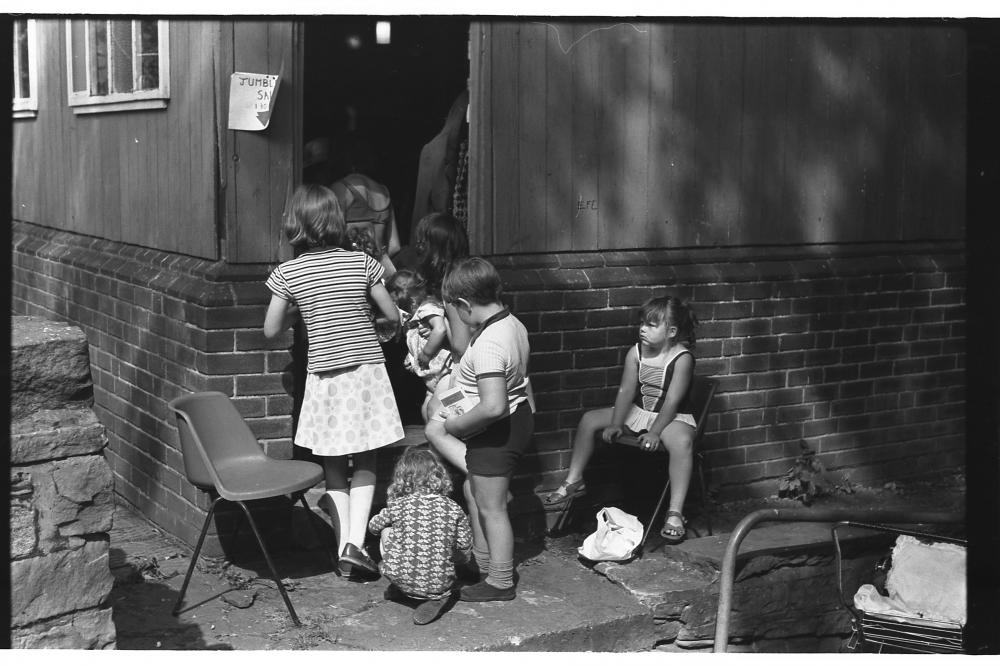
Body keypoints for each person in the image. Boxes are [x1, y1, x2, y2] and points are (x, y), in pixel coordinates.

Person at [263, 184, 404, 578]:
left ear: (296, 223)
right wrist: (373, 321)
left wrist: (302, 308)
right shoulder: (361, 262)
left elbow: (271, 328)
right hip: (365, 372)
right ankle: (354, 546)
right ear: (336, 220)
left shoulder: (289, 272)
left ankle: (346, 547)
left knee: (334, 463)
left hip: (324, 375)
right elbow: (391, 315)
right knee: (369, 456)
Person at [541, 296, 699, 544]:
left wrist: (656, 432)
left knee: (681, 443)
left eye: (651, 325)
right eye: (642, 323)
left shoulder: (682, 358)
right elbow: (626, 391)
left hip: (671, 417)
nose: (642, 329)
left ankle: (675, 512)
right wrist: (616, 422)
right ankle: (574, 479)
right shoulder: (636, 352)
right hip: (640, 411)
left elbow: (672, 402)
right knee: (589, 420)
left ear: (671, 332)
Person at [429, 257, 533, 602]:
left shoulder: (489, 342)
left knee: (492, 505)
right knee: (476, 493)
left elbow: (492, 406)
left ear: (463, 304)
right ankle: (482, 563)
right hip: (512, 420)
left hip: (496, 430)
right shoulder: (511, 323)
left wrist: (454, 424)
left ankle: (500, 581)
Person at [368, 446, 472, 625]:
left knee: (386, 529)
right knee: (457, 545)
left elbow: (373, 527)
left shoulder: (398, 505)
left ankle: (401, 580)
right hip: (440, 579)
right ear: (438, 475)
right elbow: (464, 544)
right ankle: (437, 595)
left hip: (399, 573)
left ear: (403, 478)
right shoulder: (454, 507)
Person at [329, 134, 402, 277]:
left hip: (353, 274)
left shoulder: (339, 189)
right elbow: (395, 246)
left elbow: (333, 238)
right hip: (382, 272)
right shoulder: (383, 191)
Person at [386, 269, 452, 421]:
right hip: (431, 377)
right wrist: (412, 359)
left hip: (446, 373)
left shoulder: (427, 308)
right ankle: (434, 442)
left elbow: (440, 329)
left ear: (400, 294)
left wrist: (426, 354)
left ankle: (455, 438)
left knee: (444, 409)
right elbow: (416, 340)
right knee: (427, 410)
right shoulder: (413, 318)